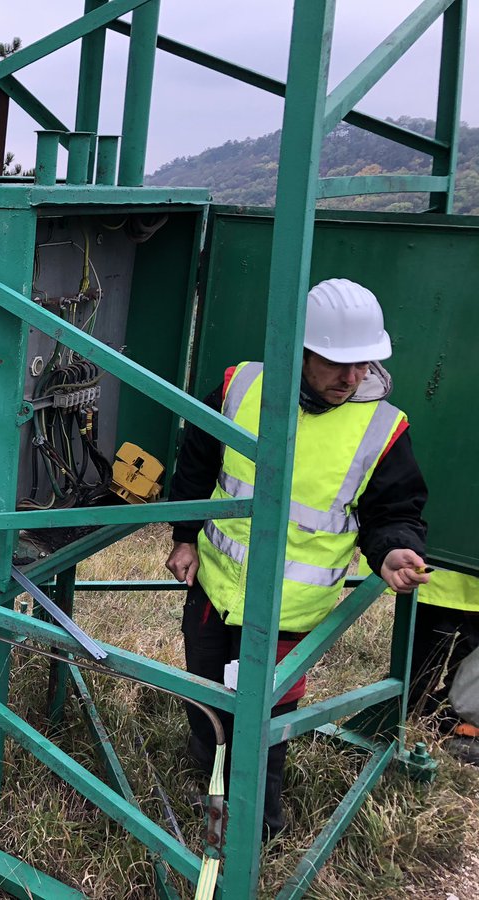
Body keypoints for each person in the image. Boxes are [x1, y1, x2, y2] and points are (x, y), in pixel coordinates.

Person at [165, 278, 430, 838]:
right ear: (299, 350)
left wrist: (392, 551)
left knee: (265, 721)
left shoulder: (381, 426)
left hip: (288, 611)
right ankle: (208, 777)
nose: (353, 377)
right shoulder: (242, 386)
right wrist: (184, 536)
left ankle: (255, 827)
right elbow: (197, 460)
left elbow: (393, 511)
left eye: (363, 364)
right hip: (216, 585)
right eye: (337, 363)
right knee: (205, 690)